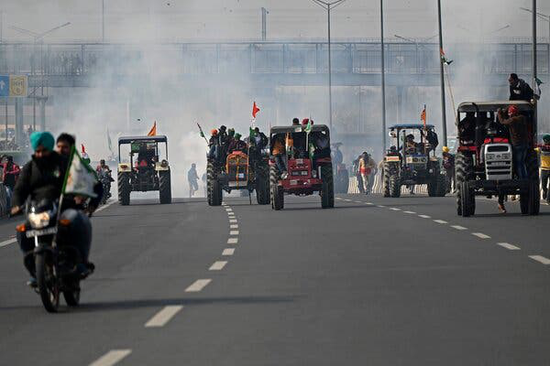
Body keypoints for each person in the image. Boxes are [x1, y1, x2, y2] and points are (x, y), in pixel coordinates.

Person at [11, 132, 93, 286]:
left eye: (44, 151)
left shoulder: (63, 163)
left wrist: (79, 196)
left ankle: (80, 262)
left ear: (50, 149)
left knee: (78, 222)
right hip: (38, 210)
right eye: (38, 151)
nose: (41, 154)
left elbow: (78, 181)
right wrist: (16, 205)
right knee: (21, 231)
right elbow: (19, 189)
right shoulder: (29, 168)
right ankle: (35, 270)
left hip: (63, 206)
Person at [498, 105, 529, 179]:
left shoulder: (512, 120)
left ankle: (521, 180)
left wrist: (499, 113)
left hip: (517, 144)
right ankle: (525, 179)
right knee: (522, 162)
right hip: (524, 144)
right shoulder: (522, 118)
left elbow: (502, 121)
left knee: (518, 163)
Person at [536, 134, 550, 202]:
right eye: (545, 141)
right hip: (544, 169)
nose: (546, 143)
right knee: (544, 186)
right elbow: (535, 149)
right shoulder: (541, 148)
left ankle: (548, 199)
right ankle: (545, 191)